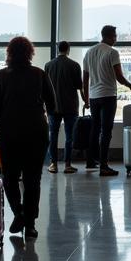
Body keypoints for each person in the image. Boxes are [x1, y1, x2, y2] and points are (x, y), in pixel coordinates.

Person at [0, 36, 56, 240]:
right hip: (37, 132)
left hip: (10, 133)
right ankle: (30, 224)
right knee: (33, 179)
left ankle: (19, 213)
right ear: (30, 53)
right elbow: (53, 105)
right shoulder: (39, 74)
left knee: (10, 178)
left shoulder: (1, 76)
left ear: (9, 53)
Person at [82, 24, 131, 178]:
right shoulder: (112, 53)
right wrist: (130, 85)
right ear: (109, 36)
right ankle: (104, 166)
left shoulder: (89, 52)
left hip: (94, 96)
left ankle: (90, 161)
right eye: (115, 36)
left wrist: (86, 98)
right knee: (106, 131)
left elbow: (85, 78)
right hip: (108, 95)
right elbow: (119, 77)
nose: (116, 39)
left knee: (95, 129)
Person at [44, 41, 86, 174]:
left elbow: (45, 88)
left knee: (53, 135)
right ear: (68, 50)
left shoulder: (48, 65)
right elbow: (80, 87)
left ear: (57, 49)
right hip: (70, 106)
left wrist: (44, 105)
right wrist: (86, 100)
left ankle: (53, 164)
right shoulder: (74, 65)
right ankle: (67, 164)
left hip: (53, 106)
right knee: (69, 136)